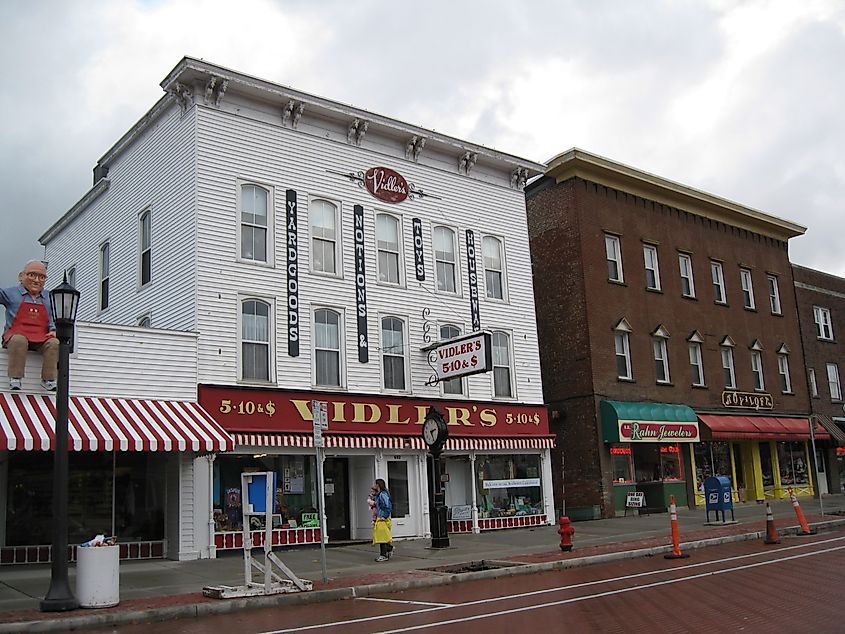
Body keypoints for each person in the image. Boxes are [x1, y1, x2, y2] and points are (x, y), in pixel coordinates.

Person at [0, 260, 58, 391]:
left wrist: (53, 329)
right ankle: (15, 377)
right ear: (21, 276)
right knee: (19, 340)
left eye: (42, 277)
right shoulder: (11, 293)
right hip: (16, 335)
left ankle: (48, 379)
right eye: (32, 275)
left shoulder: (50, 297)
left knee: (54, 343)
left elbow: (53, 317)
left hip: (41, 336)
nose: (37, 280)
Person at [372, 478, 394, 562]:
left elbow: (387, 506)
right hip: (380, 517)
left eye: (375, 484)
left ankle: (383, 554)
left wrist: (384, 516)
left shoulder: (382, 494)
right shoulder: (379, 494)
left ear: (378, 485)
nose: (373, 485)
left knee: (382, 537)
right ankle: (388, 549)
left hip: (382, 518)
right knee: (382, 536)